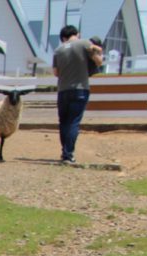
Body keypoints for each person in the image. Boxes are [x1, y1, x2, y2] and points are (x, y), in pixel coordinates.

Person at [53, 25, 103, 165]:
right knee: (73, 122)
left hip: (62, 90)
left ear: (63, 37)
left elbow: (56, 73)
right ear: (77, 34)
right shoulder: (84, 43)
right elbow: (98, 61)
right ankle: (68, 155)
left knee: (63, 122)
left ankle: (65, 152)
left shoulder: (58, 50)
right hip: (80, 89)